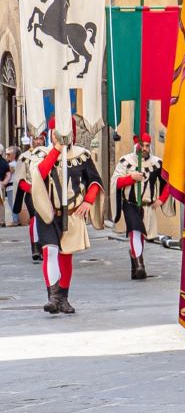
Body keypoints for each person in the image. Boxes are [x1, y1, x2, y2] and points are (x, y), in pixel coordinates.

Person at [26, 117, 102, 314]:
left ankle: (63, 298)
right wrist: (57, 149)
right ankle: (53, 297)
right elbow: (40, 174)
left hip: (72, 214)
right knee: (49, 251)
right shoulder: (41, 154)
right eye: (56, 132)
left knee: (66, 256)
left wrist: (88, 201)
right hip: (48, 213)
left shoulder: (82, 155)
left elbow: (94, 181)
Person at [112, 133, 165, 279]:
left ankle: (134, 263)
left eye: (147, 146)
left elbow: (168, 183)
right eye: (142, 145)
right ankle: (140, 265)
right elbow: (116, 182)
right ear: (137, 145)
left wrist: (161, 199)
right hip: (130, 204)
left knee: (141, 234)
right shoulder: (125, 162)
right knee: (135, 231)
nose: (145, 148)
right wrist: (131, 178)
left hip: (147, 206)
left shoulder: (157, 163)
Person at [13, 136, 42, 260]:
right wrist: (31, 189)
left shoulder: (47, 153)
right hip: (31, 192)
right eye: (35, 138)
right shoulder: (24, 157)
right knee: (35, 218)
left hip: (46, 193)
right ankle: (35, 247)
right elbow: (20, 179)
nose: (38, 141)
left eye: (41, 138)